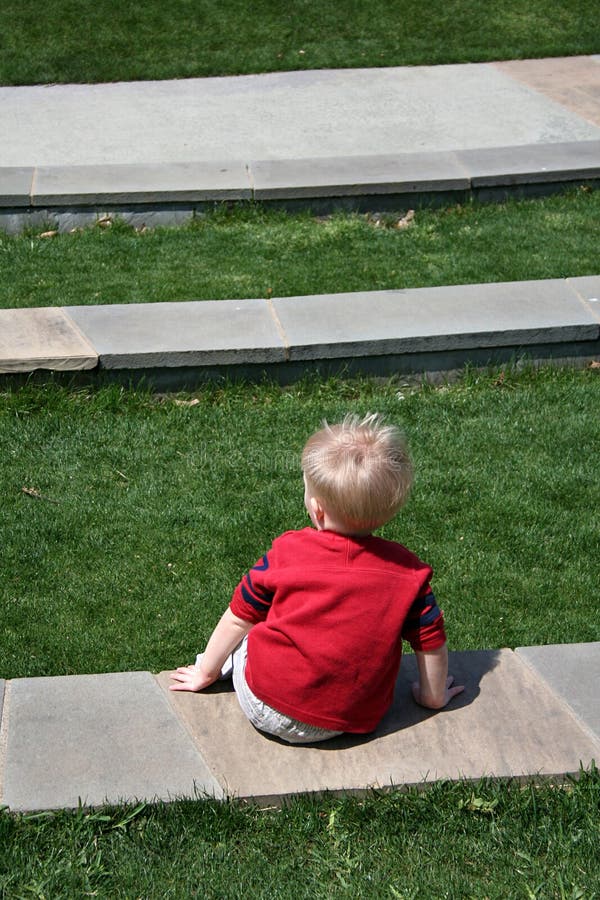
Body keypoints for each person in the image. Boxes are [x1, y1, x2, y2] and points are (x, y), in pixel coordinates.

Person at [170, 413, 464, 743]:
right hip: (352, 719)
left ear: (316, 508)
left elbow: (239, 617)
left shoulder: (287, 551)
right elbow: (431, 641)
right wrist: (433, 697)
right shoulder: (410, 575)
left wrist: (205, 672)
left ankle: (219, 668)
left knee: (252, 627)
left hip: (266, 705)